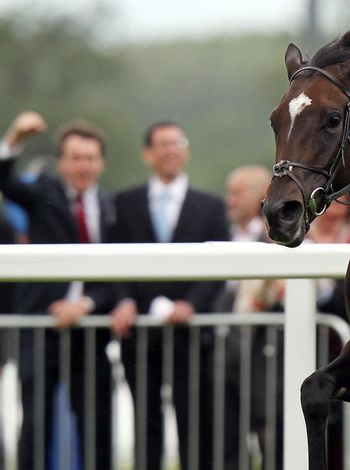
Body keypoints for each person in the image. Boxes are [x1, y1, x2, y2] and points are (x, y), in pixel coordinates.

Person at [109, 121, 229, 470]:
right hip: (140, 336)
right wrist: (125, 301)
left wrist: (191, 304)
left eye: (177, 143)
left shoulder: (209, 206)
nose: (171, 150)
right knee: (145, 424)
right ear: (148, 154)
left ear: (186, 151)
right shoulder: (124, 203)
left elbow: (219, 268)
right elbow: (114, 259)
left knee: (194, 424)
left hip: (191, 336)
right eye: (162, 144)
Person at [0, 111, 114, 469]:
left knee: (97, 428)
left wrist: (86, 304)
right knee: (35, 424)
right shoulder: (42, 193)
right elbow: (6, 181)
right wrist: (15, 137)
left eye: (90, 158)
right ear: (62, 162)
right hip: (41, 326)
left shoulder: (114, 206)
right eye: (76, 158)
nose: (83, 166)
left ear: (101, 163)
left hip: (92, 331)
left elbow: (119, 275)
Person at [220, 164, 285, 469]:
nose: (229, 201)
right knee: (228, 433)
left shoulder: (283, 234)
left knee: (269, 429)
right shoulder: (223, 232)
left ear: (261, 195)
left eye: (236, 194)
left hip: (269, 356)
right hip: (228, 354)